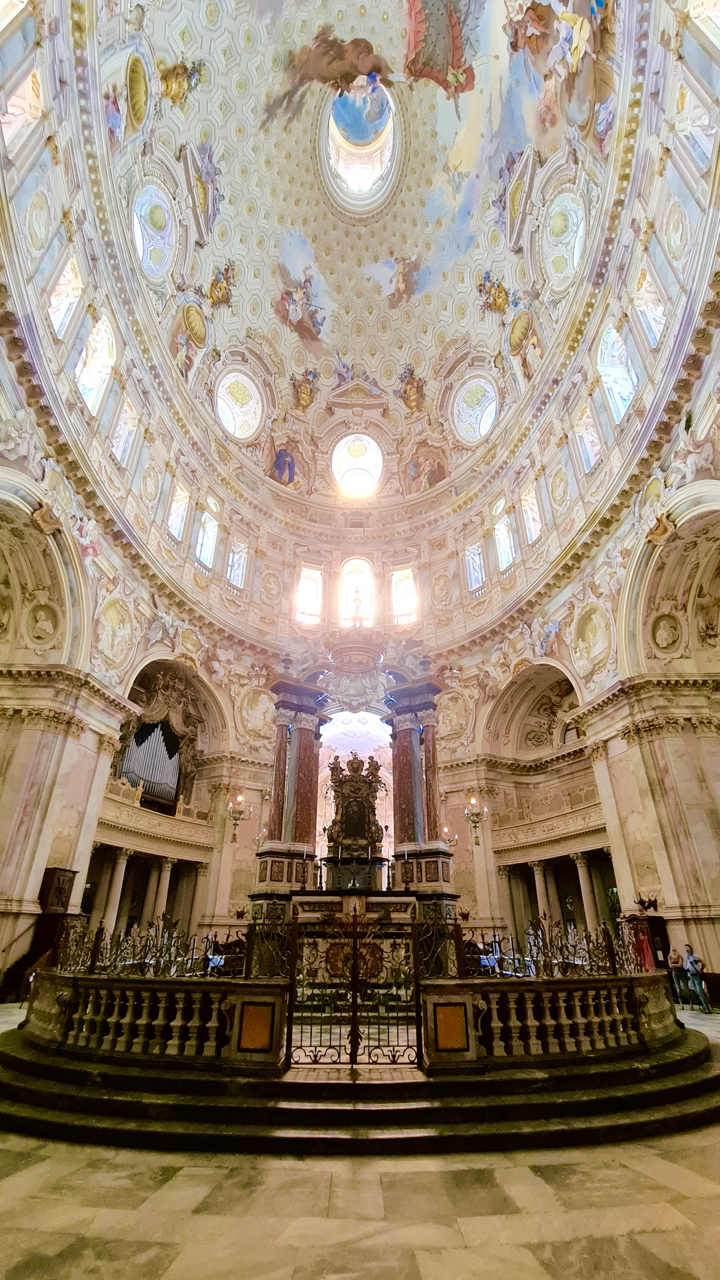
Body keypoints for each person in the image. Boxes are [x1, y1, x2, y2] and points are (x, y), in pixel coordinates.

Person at [684, 943, 712, 1013]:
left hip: (696, 975)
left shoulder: (694, 956)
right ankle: (704, 1006)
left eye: (687, 948)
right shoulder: (687, 957)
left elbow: (703, 963)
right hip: (691, 976)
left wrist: (701, 970)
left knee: (700, 991)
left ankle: (706, 1007)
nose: (686, 950)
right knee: (697, 991)